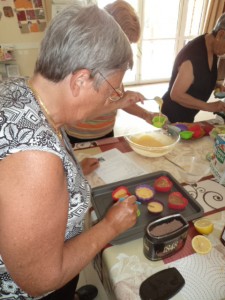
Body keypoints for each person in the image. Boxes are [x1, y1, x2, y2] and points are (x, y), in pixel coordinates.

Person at [0, 3, 143, 300]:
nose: (111, 99)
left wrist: (70, 173)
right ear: (80, 80)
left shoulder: (21, 89)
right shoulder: (35, 163)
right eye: (111, 91)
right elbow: (40, 279)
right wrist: (110, 225)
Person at [66, 0, 157, 144]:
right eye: (122, 43)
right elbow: (78, 112)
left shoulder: (114, 61)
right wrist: (119, 103)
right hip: (79, 138)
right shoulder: (81, 62)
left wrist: (145, 114)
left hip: (106, 133)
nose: (124, 51)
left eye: (129, 44)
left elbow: (118, 99)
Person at [161, 13, 225, 123]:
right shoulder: (193, 56)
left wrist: (215, 85)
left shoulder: (213, 48)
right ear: (221, 35)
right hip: (172, 116)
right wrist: (208, 106)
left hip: (188, 115)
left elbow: (199, 77)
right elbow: (176, 95)